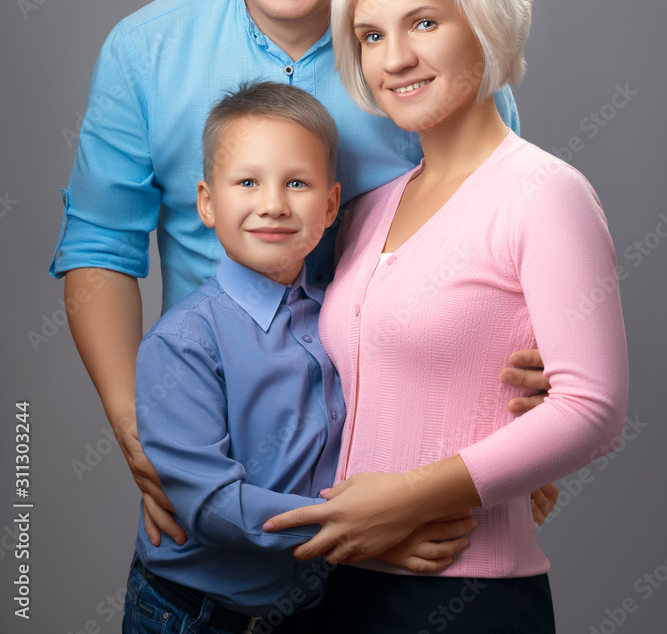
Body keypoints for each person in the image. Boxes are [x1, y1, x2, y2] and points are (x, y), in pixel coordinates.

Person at [49, 0, 551, 545]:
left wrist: (522, 430)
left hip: (407, 470)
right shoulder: (143, 52)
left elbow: (507, 248)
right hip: (227, 465)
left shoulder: (434, 58)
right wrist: (139, 428)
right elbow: (99, 248)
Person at [264, 0, 630, 633]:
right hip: (339, 584)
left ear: (486, 25)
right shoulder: (368, 209)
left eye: (424, 23)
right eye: (371, 36)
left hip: (466, 596)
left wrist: (406, 501)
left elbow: (592, 411)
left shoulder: (545, 194)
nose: (395, 58)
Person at [124, 82, 471, 634]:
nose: (273, 205)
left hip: (303, 609)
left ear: (331, 205)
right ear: (207, 203)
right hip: (192, 613)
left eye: (297, 183)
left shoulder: (343, 318)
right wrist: (360, 533)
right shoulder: (184, 342)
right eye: (247, 182)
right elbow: (212, 506)